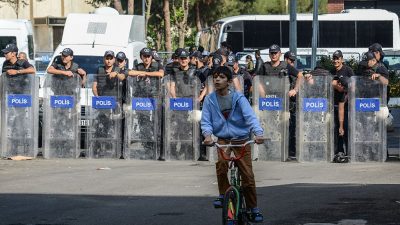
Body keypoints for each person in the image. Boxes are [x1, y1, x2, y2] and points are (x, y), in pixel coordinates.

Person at [201, 66, 264, 223]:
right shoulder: (209, 99)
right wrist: (207, 136)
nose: (217, 80)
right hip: (223, 139)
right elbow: (206, 121)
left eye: (221, 77)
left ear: (229, 81)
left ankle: (253, 208)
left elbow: (250, 117)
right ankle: (223, 195)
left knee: (247, 175)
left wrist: (258, 134)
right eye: (215, 77)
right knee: (221, 165)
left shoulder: (239, 98)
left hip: (241, 139)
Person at [260, 44, 303, 159]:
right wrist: (263, 96)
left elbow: (300, 75)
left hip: (283, 103)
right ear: (269, 54)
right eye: (271, 53)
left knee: (284, 128)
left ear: (280, 54)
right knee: (269, 128)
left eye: (275, 53)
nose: (273, 55)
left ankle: (285, 153)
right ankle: (270, 152)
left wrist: (295, 89)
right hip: (269, 102)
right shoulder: (264, 66)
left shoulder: (286, 65)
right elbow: (257, 80)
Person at [330, 50, 354, 160]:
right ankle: (339, 151)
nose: (336, 60)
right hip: (335, 105)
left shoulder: (348, 70)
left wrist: (345, 89)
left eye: (338, 58)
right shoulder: (332, 71)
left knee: (346, 128)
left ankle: (350, 153)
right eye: (334, 58)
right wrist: (334, 85)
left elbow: (354, 86)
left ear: (342, 59)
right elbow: (328, 84)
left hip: (346, 105)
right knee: (336, 129)